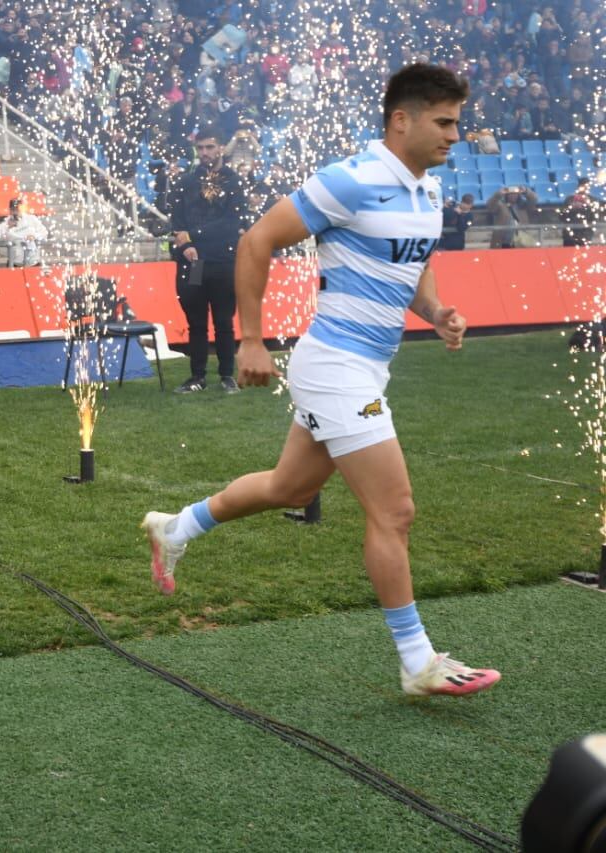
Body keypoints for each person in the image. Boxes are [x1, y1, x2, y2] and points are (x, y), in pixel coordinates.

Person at [141, 64, 501, 698]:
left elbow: (414, 269)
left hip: (363, 368)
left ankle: (177, 527)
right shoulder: (351, 180)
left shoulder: (428, 193)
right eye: (444, 122)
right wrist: (250, 339)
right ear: (402, 119)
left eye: (456, 122)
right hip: (335, 367)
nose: (454, 134)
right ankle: (417, 662)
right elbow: (258, 240)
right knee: (395, 511)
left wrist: (438, 311)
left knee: (288, 487)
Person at [167, 125, 250, 394]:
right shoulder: (186, 182)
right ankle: (197, 377)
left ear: (221, 148)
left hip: (224, 261)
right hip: (195, 263)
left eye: (210, 147)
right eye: (200, 147)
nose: (205, 152)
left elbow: (232, 223)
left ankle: (227, 375)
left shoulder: (233, 181)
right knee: (196, 323)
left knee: (224, 321)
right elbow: (176, 221)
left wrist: (194, 234)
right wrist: (186, 244)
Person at [0, 198, 48, 267]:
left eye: (17, 209)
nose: (16, 212)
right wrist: (8, 227)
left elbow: (44, 233)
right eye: (13, 209)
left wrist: (34, 236)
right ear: (10, 210)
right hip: (15, 263)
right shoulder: (4, 224)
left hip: (33, 261)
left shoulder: (32, 219)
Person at [559, 180, 601, 247]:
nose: (584, 188)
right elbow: (561, 216)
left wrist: (588, 206)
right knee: (568, 255)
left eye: (586, 186)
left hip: (585, 235)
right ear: (578, 186)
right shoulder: (569, 199)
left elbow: (595, 218)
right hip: (569, 235)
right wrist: (571, 208)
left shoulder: (593, 200)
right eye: (582, 186)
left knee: (584, 255)